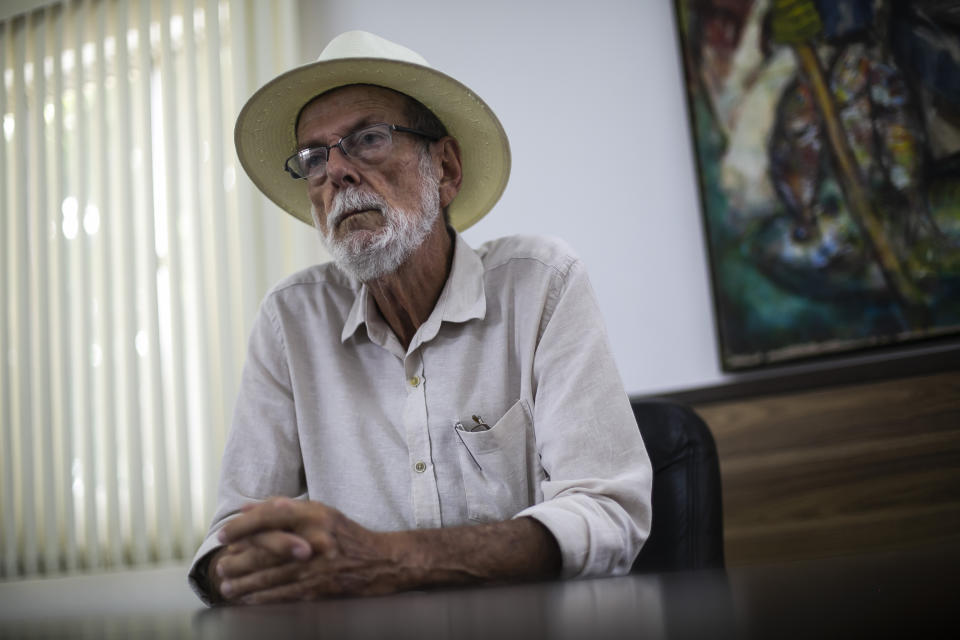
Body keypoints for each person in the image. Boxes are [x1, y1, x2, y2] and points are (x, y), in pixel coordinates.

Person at [188, 30, 652, 605]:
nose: (336, 173)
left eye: (369, 139)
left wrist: (390, 561)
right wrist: (241, 566)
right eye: (313, 158)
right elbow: (227, 538)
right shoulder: (292, 320)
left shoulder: (541, 284)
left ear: (446, 168)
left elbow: (610, 513)